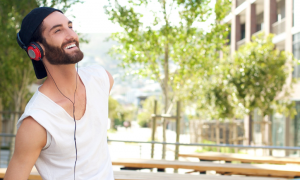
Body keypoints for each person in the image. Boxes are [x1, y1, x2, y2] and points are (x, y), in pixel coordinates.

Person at [4, 7, 114, 180]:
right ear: (37, 50)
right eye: (58, 30)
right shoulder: (37, 121)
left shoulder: (102, 79)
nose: (70, 35)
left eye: (70, 26)